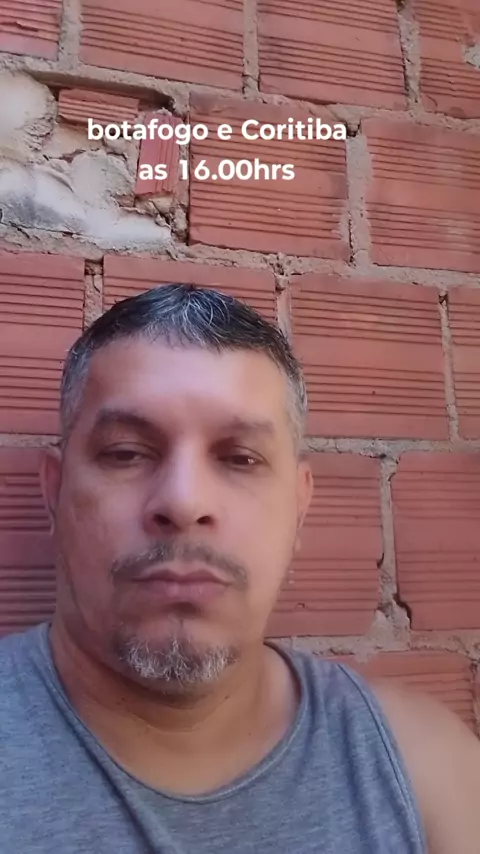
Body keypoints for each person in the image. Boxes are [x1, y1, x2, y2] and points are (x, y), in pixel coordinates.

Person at [1, 284, 479, 854]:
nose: (184, 502)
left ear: (299, 507)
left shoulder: (426, 771)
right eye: (126, 452)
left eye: (240, 458)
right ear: (54, 493)